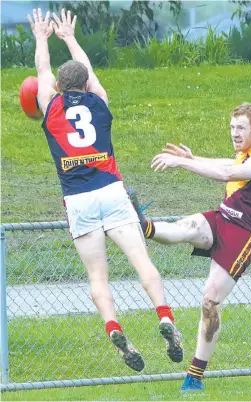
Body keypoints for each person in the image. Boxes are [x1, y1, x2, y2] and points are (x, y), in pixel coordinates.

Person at [27, 8, 183, 372]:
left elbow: (42, 71)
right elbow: (88, 71)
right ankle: (165, 317)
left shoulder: (49, 106)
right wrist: (69, 37)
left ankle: (114, 327)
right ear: (87, 84)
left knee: (98, 277)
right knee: (142, 262)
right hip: (111, 190)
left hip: (78, 200)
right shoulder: (98, 101)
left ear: (57, 88)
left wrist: (42, 37)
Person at [130, 103, 251, 390]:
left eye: (241, 128)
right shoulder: (245, 154)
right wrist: (193, 156)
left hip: (244, 236)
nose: (235, 134)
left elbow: (228, 174)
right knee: (188, 227)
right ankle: (144, 226)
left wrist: (183, 163)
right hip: (222, 218)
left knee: (210, 301)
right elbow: (227, 164)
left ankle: (195, 376)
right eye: (232, 127)